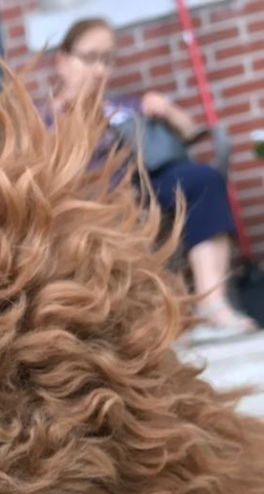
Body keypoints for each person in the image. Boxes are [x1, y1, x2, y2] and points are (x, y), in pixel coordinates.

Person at [50, 17, 258, 341]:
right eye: (90, 58)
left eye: (107, 60)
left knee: (202, 180)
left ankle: (212, 304)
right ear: (62, 61)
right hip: (94, 198)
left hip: (147, 185)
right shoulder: (47, 117)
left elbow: (190, 133)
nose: (100, 71)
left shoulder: (122, 105)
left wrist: (166, 109)